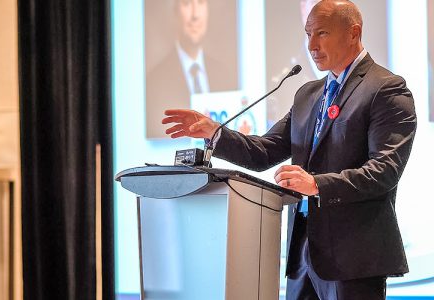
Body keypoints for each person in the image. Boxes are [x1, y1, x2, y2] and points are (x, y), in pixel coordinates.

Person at [162, 0, 417, 298]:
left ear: (353, 33)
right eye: (307, 34)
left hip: (353, 258)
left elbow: (384, 172)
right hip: (303, 256)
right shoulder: (308, 95)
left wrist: (316, 184)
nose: (311, 45)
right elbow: (264, 152)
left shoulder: (386, 89)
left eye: (321, 33)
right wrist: (215, 133)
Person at [146, 0, 237, 138]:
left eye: (201, 3)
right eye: (187, 4)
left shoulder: (225, 74)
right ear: (176, 12)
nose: (195, 15)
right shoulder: (155, 80)